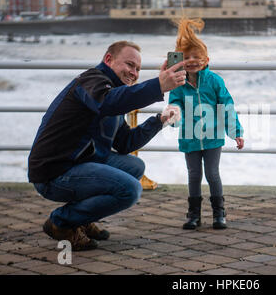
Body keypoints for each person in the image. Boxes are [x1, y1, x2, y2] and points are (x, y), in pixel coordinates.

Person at [28, 41, 186, 251]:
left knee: (135, 167)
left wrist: (159, 121)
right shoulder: (92, 81)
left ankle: (81, 219)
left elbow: (124, 143)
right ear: (109, 59)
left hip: (78, 160)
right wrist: (159, 85)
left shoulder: (113, 91)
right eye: (129, 65)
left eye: (138, 69)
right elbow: (108, 102)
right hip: (54, 171)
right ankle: (62, 222)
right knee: (130, 189)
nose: (134, 73)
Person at [168, 18, 244, 230]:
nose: (192, 60)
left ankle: (219, 214)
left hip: (212, 137)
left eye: (197, 57)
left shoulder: (215, 81)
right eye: (187, 57)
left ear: (206, 59)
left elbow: (227, 105)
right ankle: (194, 215)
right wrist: (172, 114)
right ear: (181, 59)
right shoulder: (178, 83)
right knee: (193, 175)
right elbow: (174, 104)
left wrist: (236, 132)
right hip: (189, 137)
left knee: (212, 174)